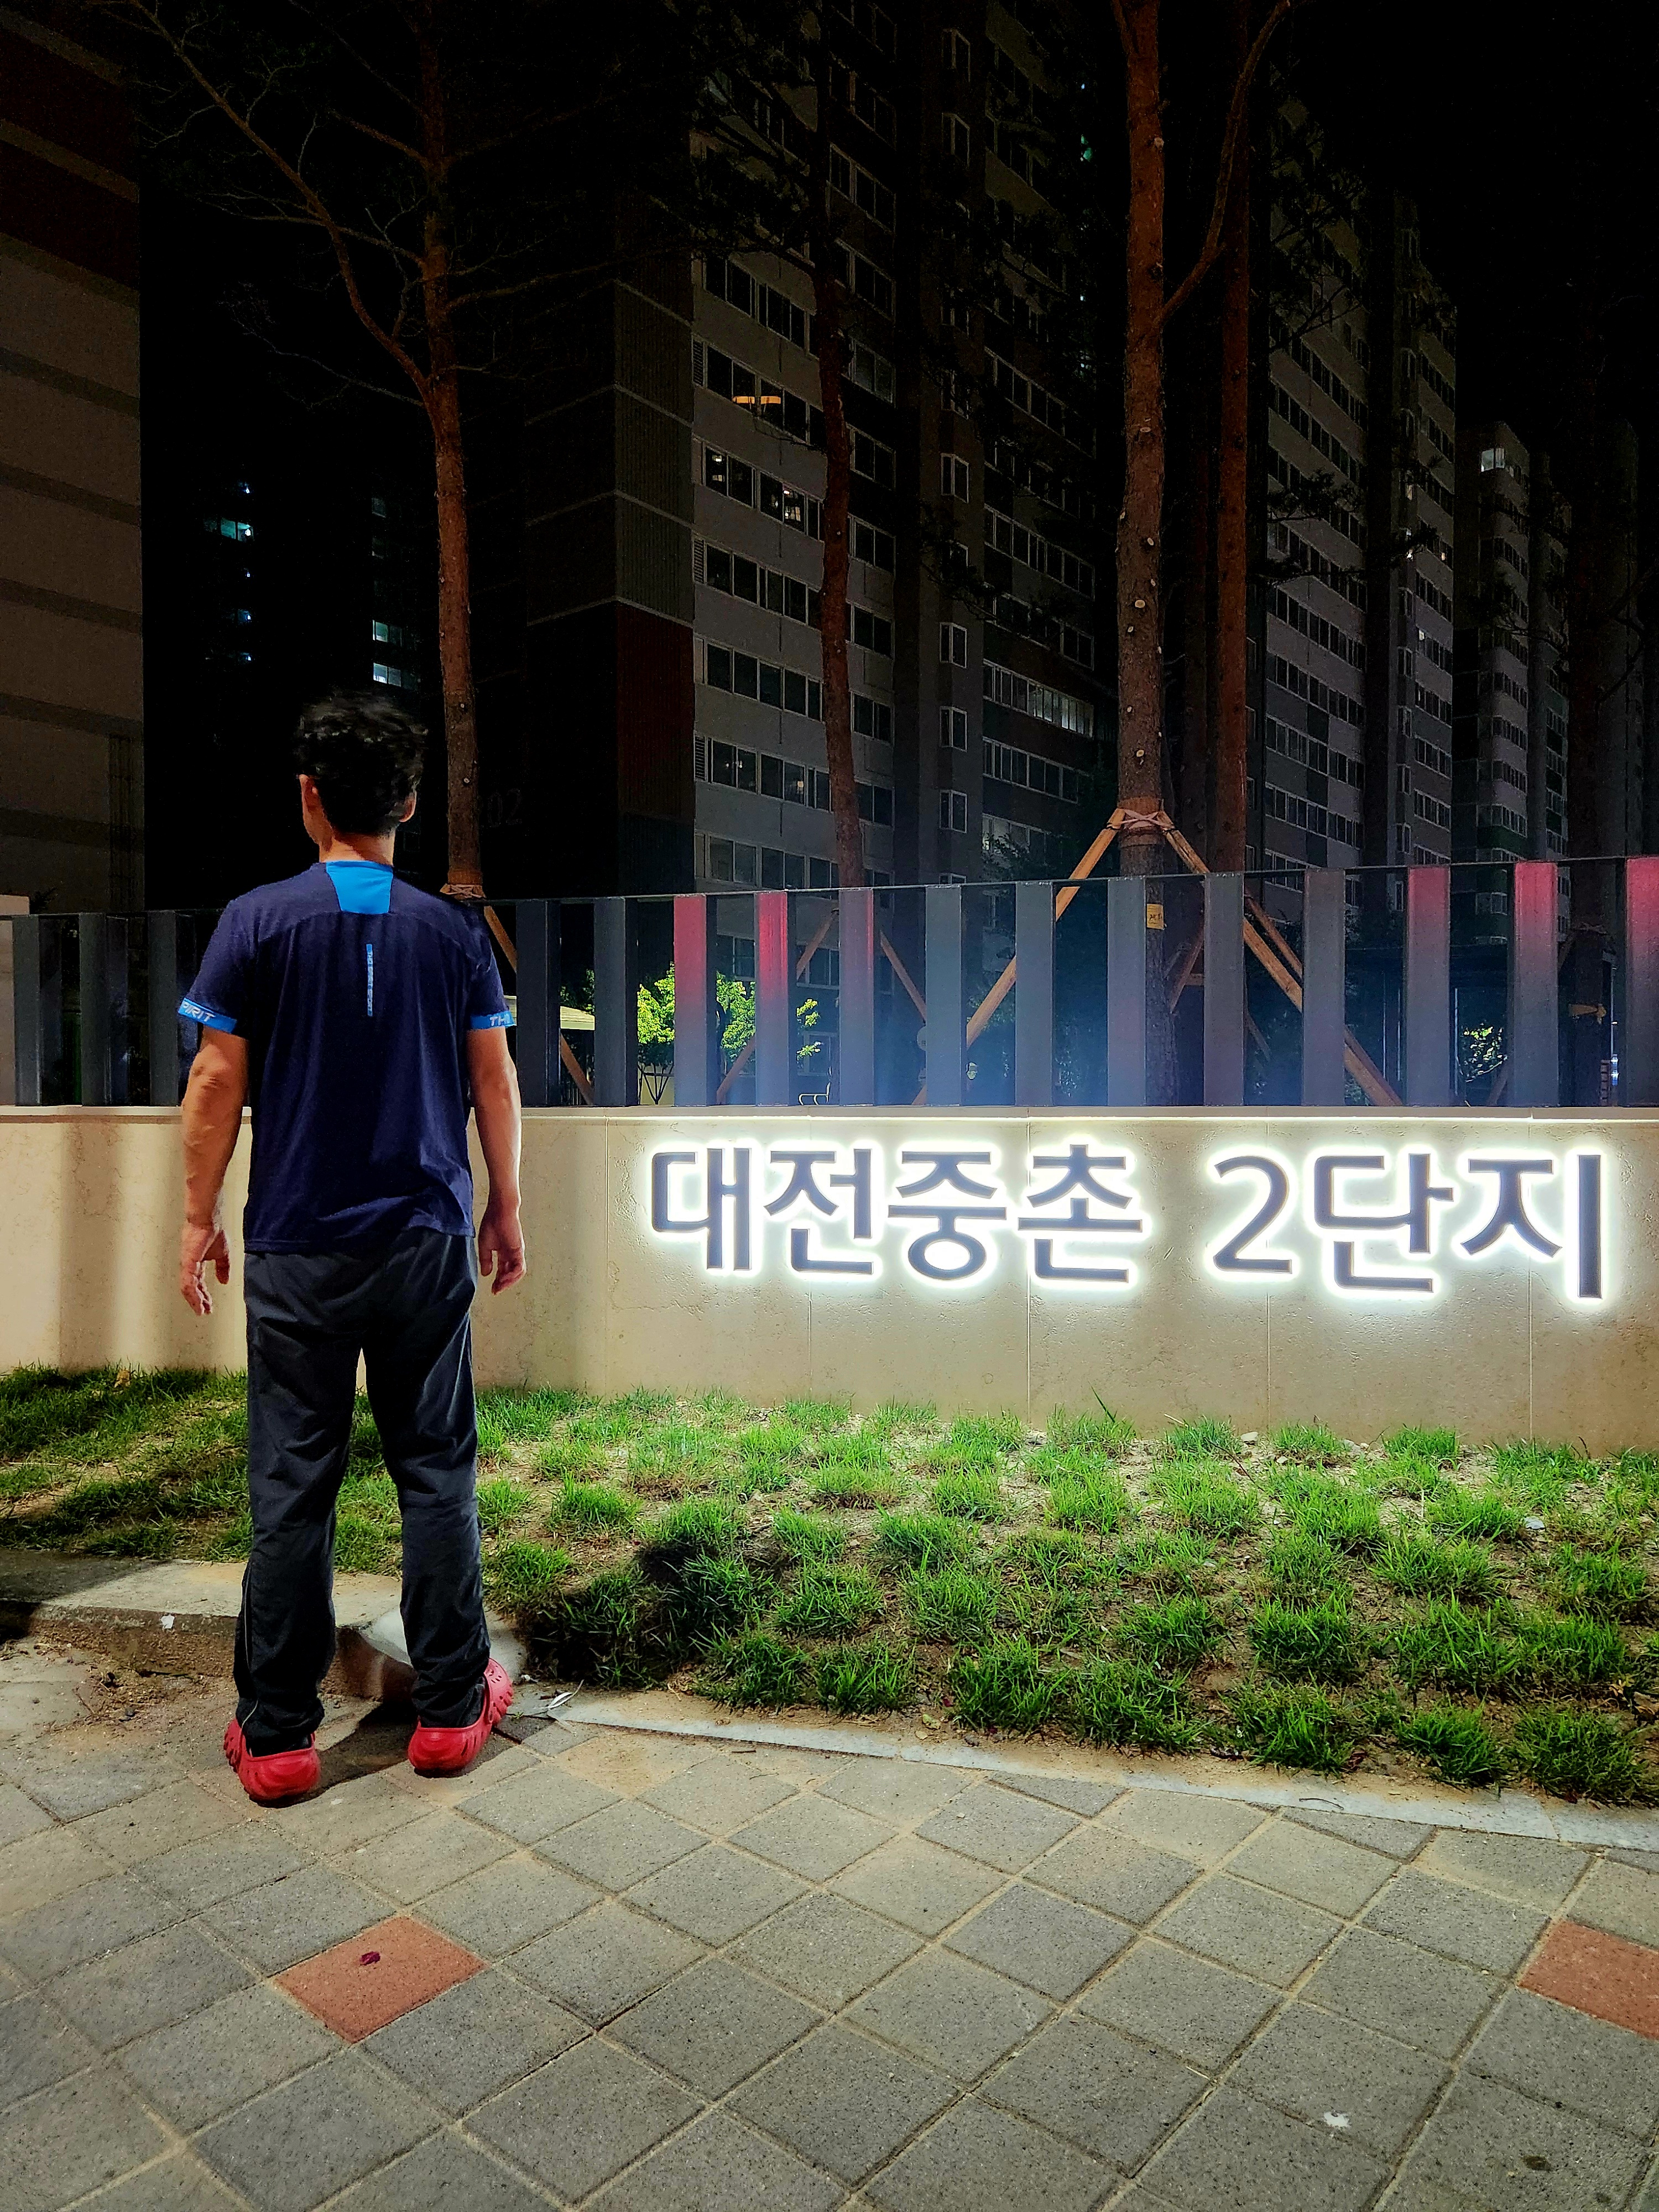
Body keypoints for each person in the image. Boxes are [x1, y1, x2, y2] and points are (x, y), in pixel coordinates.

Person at [177, 692, 527, 1804]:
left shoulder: (255, 921)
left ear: (309, 797)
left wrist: (196, 1216)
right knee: (437, 1472)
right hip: (424, 1236)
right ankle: (451, 1710)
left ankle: (280, 1736)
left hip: (298, 1245)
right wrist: (506, 1203)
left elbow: (215, 1079)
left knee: (294, 1482)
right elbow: (493, 1080)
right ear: (410, 805)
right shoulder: (454, 932)